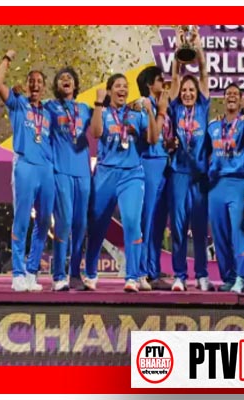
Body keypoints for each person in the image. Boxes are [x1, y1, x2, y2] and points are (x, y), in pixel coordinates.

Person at [85, 73, 162, 292]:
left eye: (125, 86)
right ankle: (90, 273)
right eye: (117, 86)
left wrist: (150, 111)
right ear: (109, 91)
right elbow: (96, 133)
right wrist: (98, 103)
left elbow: (153, 139)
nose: (122, 89)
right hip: (105, 174)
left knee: (132, 222)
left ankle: (133, 276)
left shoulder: (136, 114)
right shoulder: (103, 112)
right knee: (97, 224)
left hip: (132, 175)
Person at [0, 49, 52, 292]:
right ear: (26, 85)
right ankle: (17, 273)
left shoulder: (49, 111)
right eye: (31, 81)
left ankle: (31, 271)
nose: (35, 85)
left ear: (44, 88)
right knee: (22, 220)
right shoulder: (18, 103)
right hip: (25, 166)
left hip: (46, 169)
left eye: (39, 82)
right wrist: (6, 59)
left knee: (44, 222)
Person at [165, 26, 212, 292]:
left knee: (200, 227)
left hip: (200, 175)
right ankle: (180, 275)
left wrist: (197, 45)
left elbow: (203, 72)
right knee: (179, 226)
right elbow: (175, 76)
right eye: (185, 90)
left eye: (192, 90)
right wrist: (178, 50)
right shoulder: (175, 107)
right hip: (179, 173)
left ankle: (202, 274)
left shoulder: (203, 107)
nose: (188, 93)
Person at [45, 66, 96, 291]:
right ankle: (58, 275)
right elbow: (30, 107)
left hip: (83, 172)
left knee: (80, 224)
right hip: (61, 171)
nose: (66, 80)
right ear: (57, 86)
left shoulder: (84, 109)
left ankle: (75, 274)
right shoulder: (49, 107)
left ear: (75, 85)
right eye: (61, 78)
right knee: (63, 223)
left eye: (70, 78)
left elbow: (103, 121)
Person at [206, 84, 244, 292]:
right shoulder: (213, 125)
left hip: (239, 182)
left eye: (236, 94)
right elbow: (205, 152)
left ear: (240, 99)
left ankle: (242, 276)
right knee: (219, 234)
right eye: (228, 94)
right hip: (216, 184)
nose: (231, 97)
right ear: (223, 98)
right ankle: (228, 277)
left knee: (239, 231)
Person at [136, 66, 173, 290]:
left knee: (158, 223)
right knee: (146, 221)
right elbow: (152, 137)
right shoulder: (143, 105)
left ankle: (153, 270)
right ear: (150, 83)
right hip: (148, 164)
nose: (164, 83)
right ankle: (141, 272)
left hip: (163, 164)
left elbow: (162, 137)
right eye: (160, 80)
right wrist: (160, 111)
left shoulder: (161, 105)